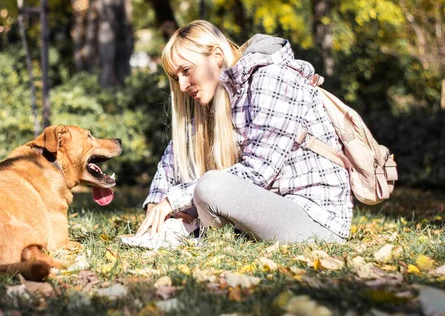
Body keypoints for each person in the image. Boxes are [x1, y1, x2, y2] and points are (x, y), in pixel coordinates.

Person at [135, 20, 352, 244]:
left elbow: (260, 172)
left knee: (211, 186)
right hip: (272, 210)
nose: (181, 85)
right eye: (175, 77)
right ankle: (183, 229)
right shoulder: (224, 95)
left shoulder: (272, 78)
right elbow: (176, 153)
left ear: (217, 56)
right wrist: (157, 203)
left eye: (186, 71)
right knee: (207, 186)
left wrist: (173, 201)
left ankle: (193, 229)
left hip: (315, 220)